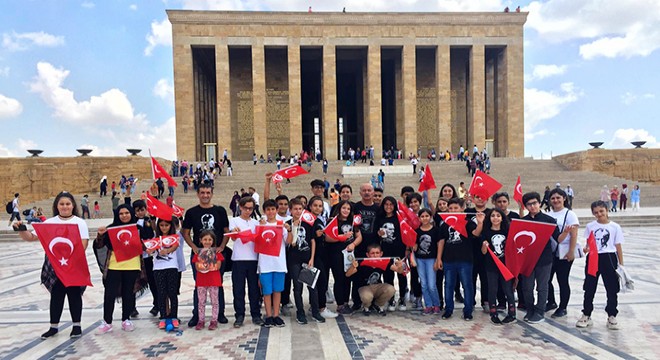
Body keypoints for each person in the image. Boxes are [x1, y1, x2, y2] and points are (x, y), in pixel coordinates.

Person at [15, 192, 89, 339]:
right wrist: (21, 229)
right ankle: (53, 326)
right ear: (57, 206)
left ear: (73, 205)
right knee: (56, 295)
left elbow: (83, 244)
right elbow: (31, 237)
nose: (65, 207)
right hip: (55, 265)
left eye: (68, 204)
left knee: (74, 295)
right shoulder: (49, 222)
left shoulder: (80, 222)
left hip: (73, 264)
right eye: (62, 204)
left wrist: (68, 259)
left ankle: (76, 326)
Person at [182, 184, 231, 327]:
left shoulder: (220, 211)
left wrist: (221, 246)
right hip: (199, 254)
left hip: (216, 253)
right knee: (199, 285)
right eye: (202, 192)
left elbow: (226, 231)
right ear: (198, 194)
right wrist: (194, 247)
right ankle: (197, 315)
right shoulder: (191, 212)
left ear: (212, 194)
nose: (205, 195)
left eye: (208, 192)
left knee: (217, 283)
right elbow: (185, 232)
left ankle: (219, 314)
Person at [94, 205, 146, 334]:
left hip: (132, 265)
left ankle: (126, 319)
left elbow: (145, 244)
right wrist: (100, 236)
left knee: (128, 293)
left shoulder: (138, 228)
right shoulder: (111, 229)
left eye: (127, 213)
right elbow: (100, 245)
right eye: (121, 213)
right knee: (109, 294)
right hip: (114, 265)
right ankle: (107, 322)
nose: (124, 215)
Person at [576, 201, 625, 330]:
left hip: (609, 257)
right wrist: (586, 249)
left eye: (601, 211)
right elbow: (588, 243)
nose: (599, 214)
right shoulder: (590, 226)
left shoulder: (615, 227)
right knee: (589, 286)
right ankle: (586, 313)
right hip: (593, 258)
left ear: (607, 210)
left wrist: (621, 264)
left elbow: (618, 246)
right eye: (596, 212)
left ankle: (612, 314)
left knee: (612, 287)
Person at [221, 196, 263, 327]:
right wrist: (234, 232)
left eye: (251, 208)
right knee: (238, 289)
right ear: (240, 207)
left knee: (254, 289)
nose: (248, 211)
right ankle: (239, 315)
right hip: (238, 259)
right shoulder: (234, 221)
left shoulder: (256, 222)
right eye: (246, 208)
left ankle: (256, 314)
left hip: (253, 259)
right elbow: (233, 238)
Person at [520, 192, 562, 324]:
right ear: (526, 206)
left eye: (534, 203)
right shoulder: (523, 221)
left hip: (544, 259)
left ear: (539, 203)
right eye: (529, 204)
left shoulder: (549, 220)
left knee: (542, 286)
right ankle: (530, 309)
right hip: (527, 260)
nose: (532, 206)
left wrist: (566, 232)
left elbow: (558, 238)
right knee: (527, 286)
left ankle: (539, 311)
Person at [286, 198, 325, 324]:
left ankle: (315, 312)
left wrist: (312, 258)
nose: (298, 211)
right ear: (290, 210)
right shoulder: (287, 224)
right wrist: (292, 229)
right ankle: (300, 312)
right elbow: (290, 243)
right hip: (294, 260)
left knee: (312, 287)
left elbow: (312, 241)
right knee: (297, 287)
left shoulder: (308, 223)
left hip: (307, 258)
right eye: (295, 209)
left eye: (300, 209)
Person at [438, 198, 474, 321]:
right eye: (451, 208)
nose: (453, 210)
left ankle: (468, 310)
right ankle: (448, 310)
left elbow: (475, 233)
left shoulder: (468, 222)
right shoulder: (445, 223)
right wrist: (439, 259)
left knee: (467, 285)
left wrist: (479, 223)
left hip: (465, 260)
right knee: (448, 285)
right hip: (448, 260)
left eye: (456, 208)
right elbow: (441, 241)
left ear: (462, 208)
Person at [546, 188, 579, 319]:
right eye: (553, 198)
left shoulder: (569, 214)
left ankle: (563, 307)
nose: (556, 200)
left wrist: (571, 252)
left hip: (565, 251)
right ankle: (551, 301)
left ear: (564, 198)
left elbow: (574, 234)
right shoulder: (549, 214)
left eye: (558, 197)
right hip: (551, 251)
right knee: (546, 279)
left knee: (562, 279)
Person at [345, 243, 405, 315]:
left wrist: (400, 266)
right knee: (367, 296)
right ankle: (366, 306)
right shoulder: (362, 262)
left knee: (391, 289)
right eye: (372, 253)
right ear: (367, 255)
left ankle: (378, 304)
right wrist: (353, 266)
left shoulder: (383, 262)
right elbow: (348, 274)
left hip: (377, 286)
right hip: (364, 287)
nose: (375, 255)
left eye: (377, 253)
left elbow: (400, 271)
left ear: (381, 254)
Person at [480, 208, 516, 324]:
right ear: (489, 218)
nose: (495, 218)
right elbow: (483, 252)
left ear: (502, 218)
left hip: (505, 266)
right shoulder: (486, 232)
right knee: (492, 289)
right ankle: (493, 313)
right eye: (493, 216)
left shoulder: (507, 231)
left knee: (507, 289)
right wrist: (485, 246)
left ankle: (512, 313)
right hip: (491, 266)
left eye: (498, 216)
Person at [327, 200, 362, 314]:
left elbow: (359, 236)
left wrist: (353, 244)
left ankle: (346, 302)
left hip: (349, 255)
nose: (346, 210)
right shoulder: (333, 221)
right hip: (336, 254)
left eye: (348, 208)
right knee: (339, 279)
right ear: (339, 209)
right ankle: (340, 304)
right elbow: (327, 238)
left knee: (348, 277)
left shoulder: (352, 222)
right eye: (344, 208)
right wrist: (341, 237)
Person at [150, 217, 182, 330]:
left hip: (172, 267)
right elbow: (150, 249)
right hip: (158, 268)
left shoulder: (175, 237)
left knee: (172, 293)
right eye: (162, 225)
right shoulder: (155, 237)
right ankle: (163, 316)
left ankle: (174, 316)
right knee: (161, 293)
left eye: (166, 225)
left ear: (171, 226)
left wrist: (167, 251)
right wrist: (150, 249)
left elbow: (176, 245)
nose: (164, 228)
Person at [375, 197, 406, 311]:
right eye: (386, 204)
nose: (389, 206)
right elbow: (376, 234)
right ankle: (391, 299)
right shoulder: (380, 218)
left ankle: (402, 298)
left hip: (399, 251)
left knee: (401, 275)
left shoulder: (399, 217)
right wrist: (379, 233)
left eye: (391, 204)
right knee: (388, 276)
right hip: (386, 251)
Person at [192, 230, 223, 330]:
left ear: (213, 241)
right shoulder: (198, 253)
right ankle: (201, 320)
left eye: (210, 239)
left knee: (215, 301)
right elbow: (197, 267)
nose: (207, 241)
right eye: (205, 239)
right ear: (200, 240)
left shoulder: (217, 253)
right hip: (201, 281)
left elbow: (218, 266)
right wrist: (206, 266)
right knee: (201, 302)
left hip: (214, 280)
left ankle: (214, 320)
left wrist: (206, 265)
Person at [414, 208, 443, 315]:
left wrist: (438, 260)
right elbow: (413, 245)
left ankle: (436, 304)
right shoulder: (417, 231)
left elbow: (439, 245)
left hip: (431, 259)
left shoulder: (436, 230)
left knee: (431, 284)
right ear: (419, 218)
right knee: (424, 284)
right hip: (420, 260)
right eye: (422, 216)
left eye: (427, 216)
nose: (424, 218)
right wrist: (414, 246)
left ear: (430, 217)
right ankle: (428, 305)